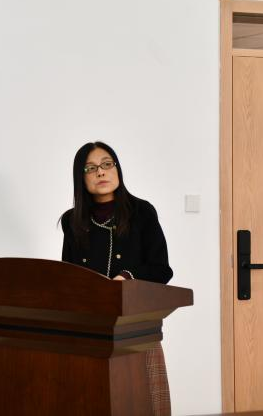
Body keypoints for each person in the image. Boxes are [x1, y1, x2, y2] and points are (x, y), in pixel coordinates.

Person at [59, 141, 173, 415]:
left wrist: (126, 277)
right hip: (90, 327)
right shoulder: (72, 220)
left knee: (142, 404)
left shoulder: (142, 212)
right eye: (90, 168)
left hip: (136, 326)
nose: (100, 172)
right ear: (80, 178)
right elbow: (67, 275)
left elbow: (161, 269)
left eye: (106, 164)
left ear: (117, 169)